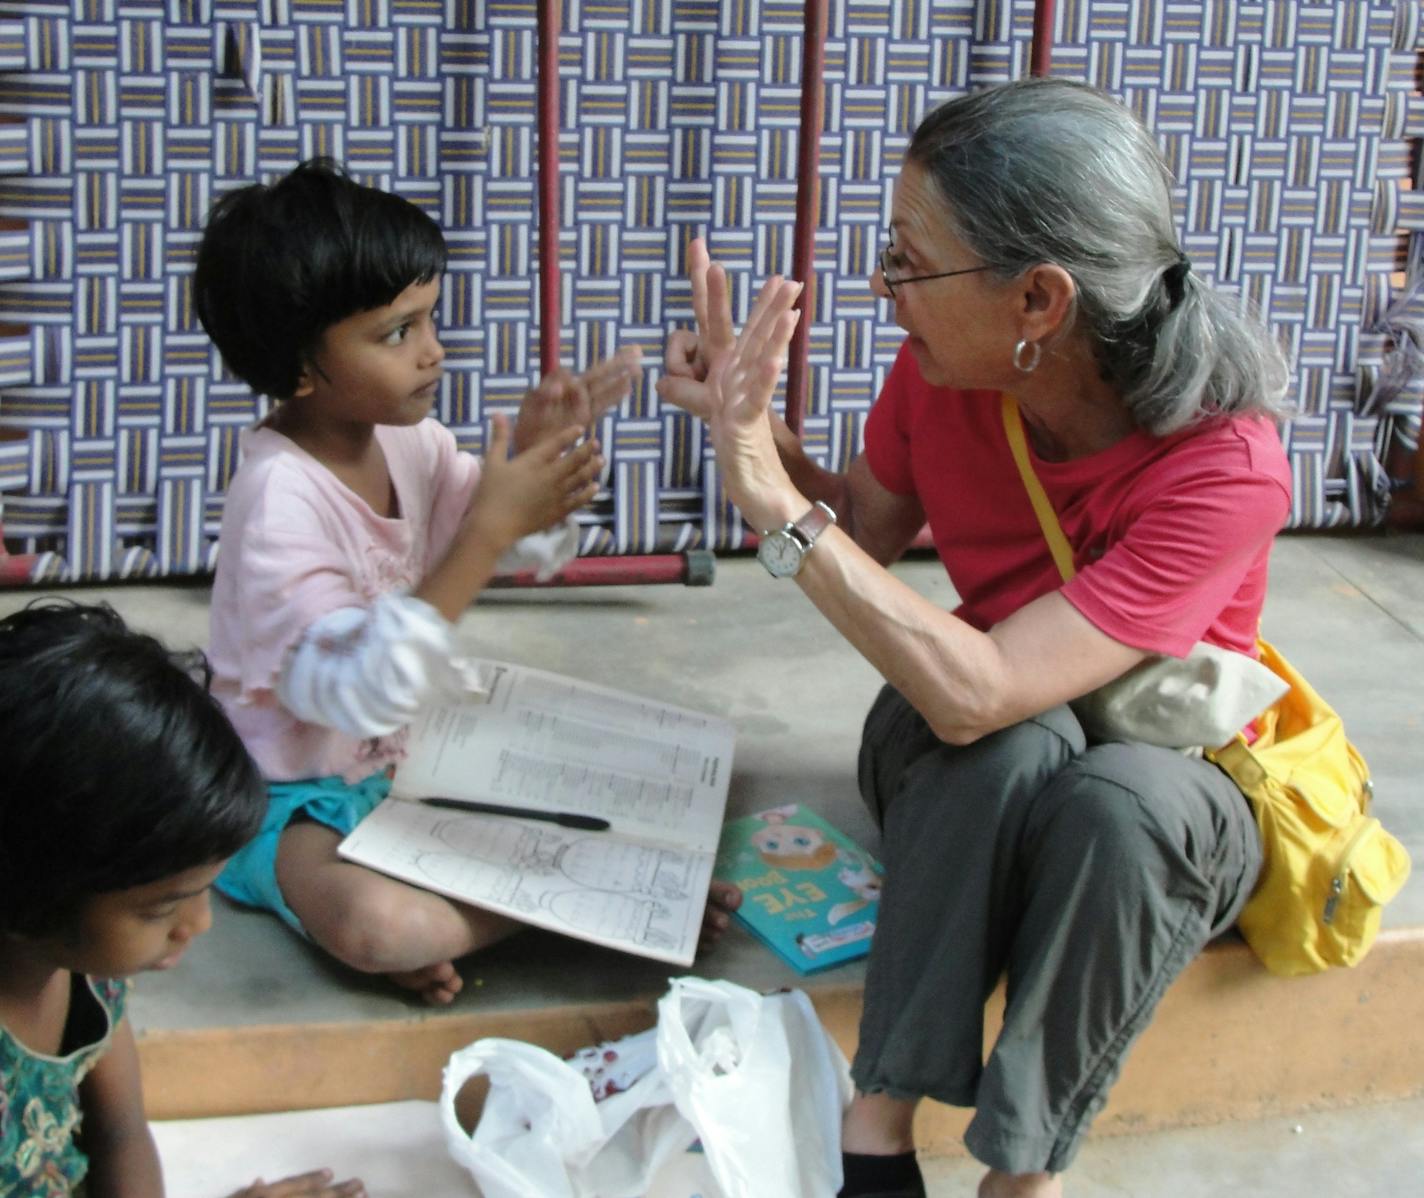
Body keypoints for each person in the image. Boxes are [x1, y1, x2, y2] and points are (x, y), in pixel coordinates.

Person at [658, 77, 1291, 1198]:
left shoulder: (1223, 464)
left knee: (1118, 802)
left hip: (1159, 783)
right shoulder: (943, 373)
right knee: (1010, 741)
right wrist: (752, 437)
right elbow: (858, 535)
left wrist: (770, 502)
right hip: (974, 764)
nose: (883, 285)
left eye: (909, 259)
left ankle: (1021, 1173)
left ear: (1037, 302)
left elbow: (977, 681)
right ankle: (876, 1124)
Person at [193, 159, 736, 1006]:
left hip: (408, 756)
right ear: (301, 368)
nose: (433, 350)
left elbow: (505, 542)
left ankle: (585, 885)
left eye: (429, 318)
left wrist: (530, 466)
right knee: (382, 929)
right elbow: (360, 693)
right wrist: (489, 525)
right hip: (290, 789)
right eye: (395, 333)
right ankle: (595, 897)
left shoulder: (407, 438)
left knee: (652, 756)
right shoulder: (277, 499)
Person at [0, 600, 365, 1198]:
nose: (198, 925)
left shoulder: (81, 967)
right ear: (30, 890)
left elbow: (120, 1132)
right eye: (160, 909)